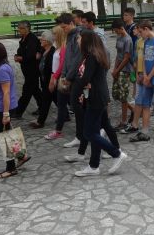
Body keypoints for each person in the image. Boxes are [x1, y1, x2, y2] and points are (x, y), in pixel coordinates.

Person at [69, 30, 127, 177]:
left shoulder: (92, 56)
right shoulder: (94, 54)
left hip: (96, 97)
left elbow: (85, 78)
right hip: (96, 96)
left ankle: (116, 153)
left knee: (88, 133)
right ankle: (94, 166)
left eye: (80, 38)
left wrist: (76, 87)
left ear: (86, 40)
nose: (78, 41)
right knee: (94, 132)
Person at [0, 41, 30, 178]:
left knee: (1, 135)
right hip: (3, 107)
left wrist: (6, 113)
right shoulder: (2, 67)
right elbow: (3, 87)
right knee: (5, 134)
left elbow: (6, 92)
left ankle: (11, 168)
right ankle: (21, 155)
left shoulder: (2, 70)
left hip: (4, 108)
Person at [61, 12, 84, 149]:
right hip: (71, 76)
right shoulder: (70, 36)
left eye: (64, 27)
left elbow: (77, 59)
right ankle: (81, 135)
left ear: (71, 23)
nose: (63, 30)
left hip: (77, 77)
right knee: (76, 107)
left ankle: (82, 136)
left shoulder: (78, 35)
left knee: (78, 107)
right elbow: (67, 58)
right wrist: (64, 74)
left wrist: (68, 77)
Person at [12, 20, 42, 118]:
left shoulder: (32, 39)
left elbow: (31, 55)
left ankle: (18, 111)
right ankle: (43, 106)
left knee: (27, 90)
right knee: (35, 90)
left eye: (22, 28)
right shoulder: (23, 38)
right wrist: (17, 56)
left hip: (33, 69)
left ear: (27, 28)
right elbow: (21, 51)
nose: (19, 30)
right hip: (26, 69)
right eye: (19, 28)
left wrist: (21, 58)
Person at [44, 24, 69, 140]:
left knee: (68, 104)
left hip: (62, 79)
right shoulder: (57, 46)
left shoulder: (63, 47)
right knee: (62, 104)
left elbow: (61, 65)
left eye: (54, 34)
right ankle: (58, 130)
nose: (53, 36)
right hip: (57, 78)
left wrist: (54, 78)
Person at [29, 30, 55, 129]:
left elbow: (52, 69)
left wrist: (51, 81)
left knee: (46, 101)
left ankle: (40, 121)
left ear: (47, 41)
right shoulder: (44, 50)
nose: (40, 40)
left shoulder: (52, 52)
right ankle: (65, 115)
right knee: (56, 98)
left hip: (49, 81)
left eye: (42, 39)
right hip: (44, 80)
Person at [111, 18, 134, 128]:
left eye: (116, 30)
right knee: (117, 95)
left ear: (121, 28)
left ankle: (124, 121)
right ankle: (133, 110)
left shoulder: (128, 40)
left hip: (125, 70)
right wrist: (114, 69)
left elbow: (126, 58)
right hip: (119, 69)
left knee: (123, 96)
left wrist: (117, 70)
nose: (115, 32)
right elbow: (118, 55)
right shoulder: (119, 37)